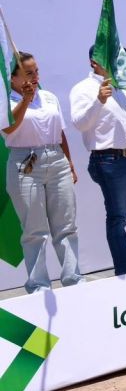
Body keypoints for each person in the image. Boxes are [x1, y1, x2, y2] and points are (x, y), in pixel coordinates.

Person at [70, 47, 126, 275]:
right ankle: (124, 269)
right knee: (118, 216)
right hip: (107, 160)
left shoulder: (125, 89)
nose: (119, 62)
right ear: (93, 62)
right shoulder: (83, 89)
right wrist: (99, 100)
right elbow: (79, 124)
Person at [2, 52, 83, 292]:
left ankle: (73, 279)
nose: (35, 76)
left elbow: (61, 133)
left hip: (55, 159)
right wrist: (25, 101)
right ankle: (38, 284)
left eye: (36, 71)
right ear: (14, 78)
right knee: (35, 229)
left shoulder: (49, 97)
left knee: (66, 224)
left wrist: (69, 162)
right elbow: (7, 128)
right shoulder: (6, 100)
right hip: (24, 164)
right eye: (29, 73)